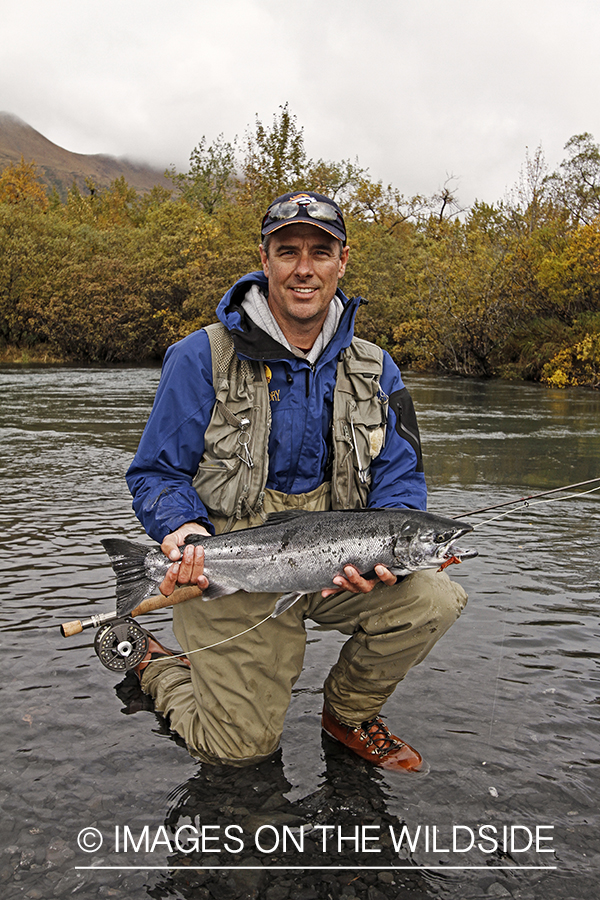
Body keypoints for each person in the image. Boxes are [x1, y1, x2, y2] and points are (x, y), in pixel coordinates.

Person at [123, 190, 467, 771]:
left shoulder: (378, 368)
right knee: (239, 753)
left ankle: (349, 715)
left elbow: (401, 481)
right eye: (288, 251)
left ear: (343, 261)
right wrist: (180, 528)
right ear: (265, 259)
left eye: (319, 252)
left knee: (434, 595)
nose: (304, 268)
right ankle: (158, 666)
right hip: (233, 570)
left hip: (341, 570)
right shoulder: (198, 357)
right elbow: (155, 472)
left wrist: (390, 548)